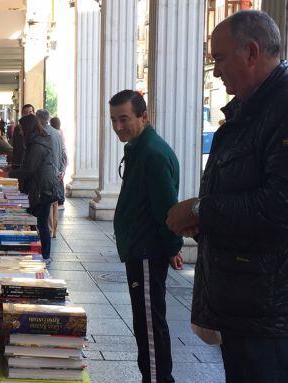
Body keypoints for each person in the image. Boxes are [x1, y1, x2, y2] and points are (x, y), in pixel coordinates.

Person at [166, 11, 288, 383]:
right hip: (252, 302)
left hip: (275, 311)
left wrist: (202, 209)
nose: (216, 70)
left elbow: (287, 205)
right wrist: (207, 222)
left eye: (219, 57)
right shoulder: (259, 107)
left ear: (252, 52)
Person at [109, 90, 184, 383]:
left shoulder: (151, 153)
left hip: (146, 251)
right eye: (114, 120)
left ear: (144, 117)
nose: (118, 127)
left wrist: (172, 246)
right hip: (140, 248)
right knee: (147, 323)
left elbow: (167, 209)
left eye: (124, 119)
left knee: (149, 326)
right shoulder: (140, 148)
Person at [9, 115, 61, 265]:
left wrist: (11, 173)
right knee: (40, 221)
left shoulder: (36, 144)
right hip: (43, 186)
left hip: (43, 188)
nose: (19, 132)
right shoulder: (38, 140)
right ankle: (41, 253)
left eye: (21, 129)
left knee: (42, 223)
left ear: (28, 128)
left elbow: (30, 169)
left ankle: (45, 256)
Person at [36, 109, 67, 239]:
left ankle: (48, 230)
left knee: (47, 204)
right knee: (54, 204)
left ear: (38, 119)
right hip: (57, 174)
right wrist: (62, 170)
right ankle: (54, 229)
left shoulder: (43, 133)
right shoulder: (57, 133)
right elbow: (63, 154)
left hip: (46, 175)